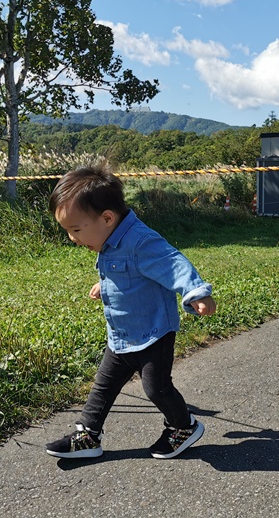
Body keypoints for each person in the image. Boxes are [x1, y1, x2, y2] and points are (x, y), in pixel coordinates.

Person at [44, 163, 216, 460]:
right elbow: (124, 271)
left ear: (107, 218)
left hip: (153, 333)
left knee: (157, 389)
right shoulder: (110, 240)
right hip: (122, 335)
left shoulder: (141, 240)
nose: (73, 238)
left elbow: (173, 263)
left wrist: (196, 293)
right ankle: (88, 435)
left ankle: (183, 427)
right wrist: (105, 284)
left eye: (75, 230)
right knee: (103, 386)